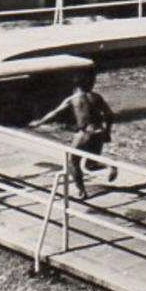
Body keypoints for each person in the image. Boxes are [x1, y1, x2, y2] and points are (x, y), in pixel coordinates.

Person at [30, 70, 116, 199]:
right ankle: (110, 165)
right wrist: (107, 132)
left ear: (74, 86)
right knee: (91, 164)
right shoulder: (96, 96)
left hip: (85, 133)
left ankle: (81, 192)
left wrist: (38, 123)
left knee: (72, 162)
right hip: (99, 131)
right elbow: (109, 114)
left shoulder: (72, 99)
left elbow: (55, 113)